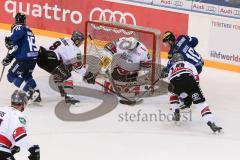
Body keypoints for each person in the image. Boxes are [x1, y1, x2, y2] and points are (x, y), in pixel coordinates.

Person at [167, 53, 222, 133]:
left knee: (172, 94)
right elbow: (196, 79)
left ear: (174, 61)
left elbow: (170, 85)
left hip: (175, 83)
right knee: (201, 104)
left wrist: (183, 96)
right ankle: (211, 123)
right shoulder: (189, 64)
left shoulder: (171, 68)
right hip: (189, 80)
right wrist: (191, 95)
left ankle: (176, 112)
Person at [37, 31, 95, 104]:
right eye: (80, 41)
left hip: (40, 58)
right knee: (68, 76)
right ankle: (69, 97)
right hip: (50, 60)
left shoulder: (64, 39)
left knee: (64, 70)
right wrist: (87, 74)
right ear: (77, 40)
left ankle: (61, 88)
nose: (81, 43)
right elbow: (77, 67)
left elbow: (68, 61)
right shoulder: (74, 49)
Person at [1, 12, 41, 102]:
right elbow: (20, 48)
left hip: (24, 59)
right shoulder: (29, 30)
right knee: (27, 75)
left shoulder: (18, 27)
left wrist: (11, 40)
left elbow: (17, 34)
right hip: (33, 58)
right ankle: (37, 94)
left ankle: (30, 93)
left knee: (11, 76)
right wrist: (10, 57)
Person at [162, 31, 204, 109]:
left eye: (166, 43)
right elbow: (195, 40)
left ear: (170, 41)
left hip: (193, 68)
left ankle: (186, 101)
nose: (166, 45)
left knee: (179, 81)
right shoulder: (182, 38)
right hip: (200, 62)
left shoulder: (172, 52)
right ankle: (194, 89)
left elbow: (172, 65)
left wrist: (166, 70)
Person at [0, 90, 40, 160]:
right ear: (24, 103)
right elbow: (20, 136)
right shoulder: (18, 115)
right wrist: (33, 148)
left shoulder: (1, 109)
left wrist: (12, 146)